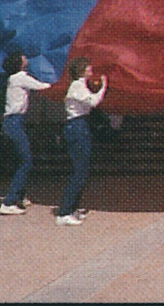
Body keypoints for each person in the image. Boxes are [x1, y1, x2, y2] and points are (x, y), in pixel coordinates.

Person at [0, 51, 52, 214]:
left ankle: (19, 196)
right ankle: (9, 202)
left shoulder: (14, 78)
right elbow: (42, 86)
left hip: (13, 122)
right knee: (26, 161)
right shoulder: (20, 77)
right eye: (22, 57)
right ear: (18, 63)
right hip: (15, 122)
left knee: (20, 160)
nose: (25, 57)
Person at [55, 57, 106, 226]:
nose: (90, 68)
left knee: (82, 170)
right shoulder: (77, 85)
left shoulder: (80, 86)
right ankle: (65, 212)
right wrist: (103, 87)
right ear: (82, 70)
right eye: (87, 66)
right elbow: (93, 102)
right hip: (77, 126)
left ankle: (72, 208)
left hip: (80, 124)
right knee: (79, 171)